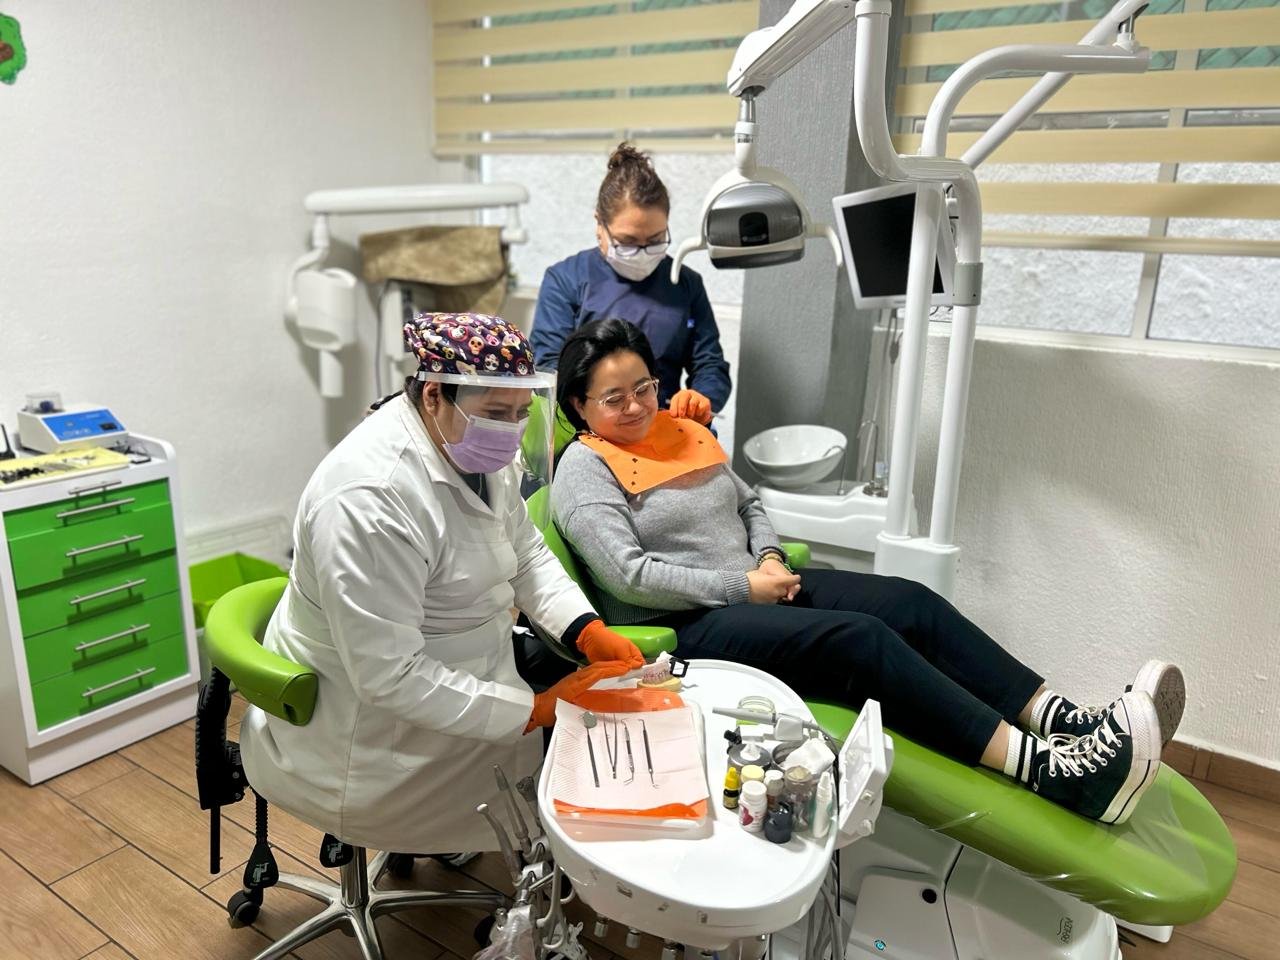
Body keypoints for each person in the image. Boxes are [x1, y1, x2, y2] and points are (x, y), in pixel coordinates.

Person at [549, 318, 1188, 825]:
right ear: (579, 405)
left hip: (755, 583)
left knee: (910, 602)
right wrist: (742, 585)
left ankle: (1064, 723)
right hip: (686, 625)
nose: (635, 406)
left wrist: (768, 557)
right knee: (862, 640)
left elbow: (747, 504)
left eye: (644, 388)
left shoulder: (677, 433)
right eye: (613, 398)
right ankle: (1051, 773)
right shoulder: (584, 471)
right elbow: (629, 576)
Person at [239, 313, 643, 857]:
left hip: (461, 668)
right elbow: (388, 676)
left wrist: (585, 628)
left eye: (521, 413)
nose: (511, 430)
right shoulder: (369, 499)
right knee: (566, 751)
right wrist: (535, 710)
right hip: (369, 735)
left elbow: (524, 551)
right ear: (434, 395)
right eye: (496, 413)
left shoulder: (472, 445)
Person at [530, 141, 730, 428]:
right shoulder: (566, 280)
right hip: (593, 430)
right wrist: (603, 409)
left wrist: (701, 398)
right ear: (600, 225)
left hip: (666, 425)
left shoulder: (686, 283)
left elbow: (711, 365)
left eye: (655, 240)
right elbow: (550, 370)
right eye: (628, 242)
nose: (643, 252)